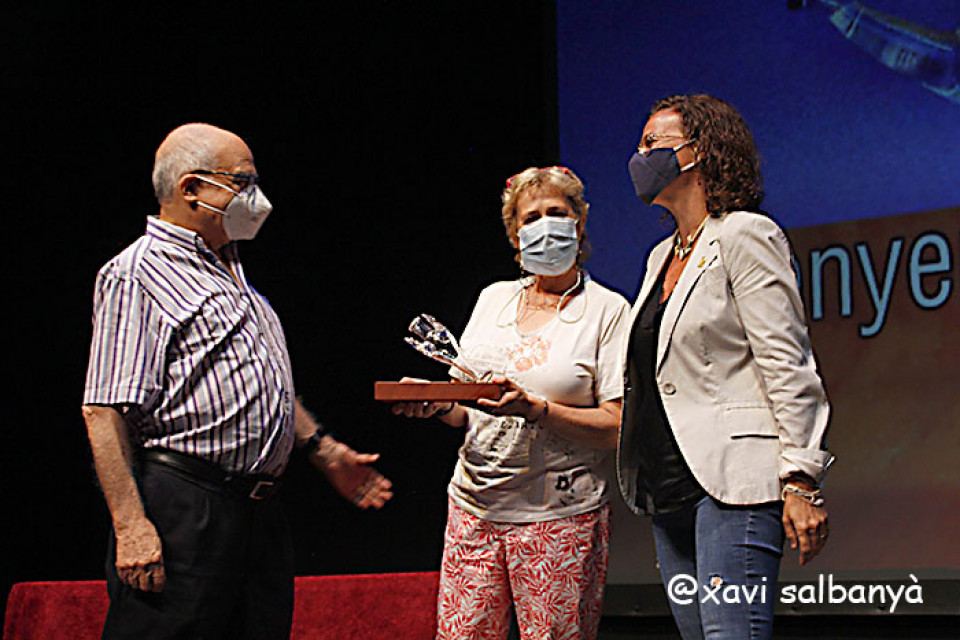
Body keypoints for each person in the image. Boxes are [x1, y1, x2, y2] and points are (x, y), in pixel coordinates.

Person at [81, 123, 393, 639]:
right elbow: (103, 408)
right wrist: (131, 524)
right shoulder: (137, 273)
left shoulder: (229, 269)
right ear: (191, 188)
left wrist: (324, 450)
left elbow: (260, 381)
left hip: (256, 512)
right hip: (186, 505)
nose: (256, 198)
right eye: (243, 182)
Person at [617, 94, 835, 640]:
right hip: (670, 487)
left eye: (652, 143)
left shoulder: (744, 234)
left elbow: (786, 361)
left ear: (699, 152)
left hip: (733, 484)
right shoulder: (660, 256)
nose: (639, 157)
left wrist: (801, 479)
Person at [392, 166, 630, 640]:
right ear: (515, 235)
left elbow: (617, 426)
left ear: (580, 222)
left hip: (558, 517)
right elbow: (466, 407)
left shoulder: (607, 310)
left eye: (556, 212)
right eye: (531, 217)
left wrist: (537, 410)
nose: (545, 226)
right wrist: (436, 401)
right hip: (474, 510)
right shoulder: (492, 300)